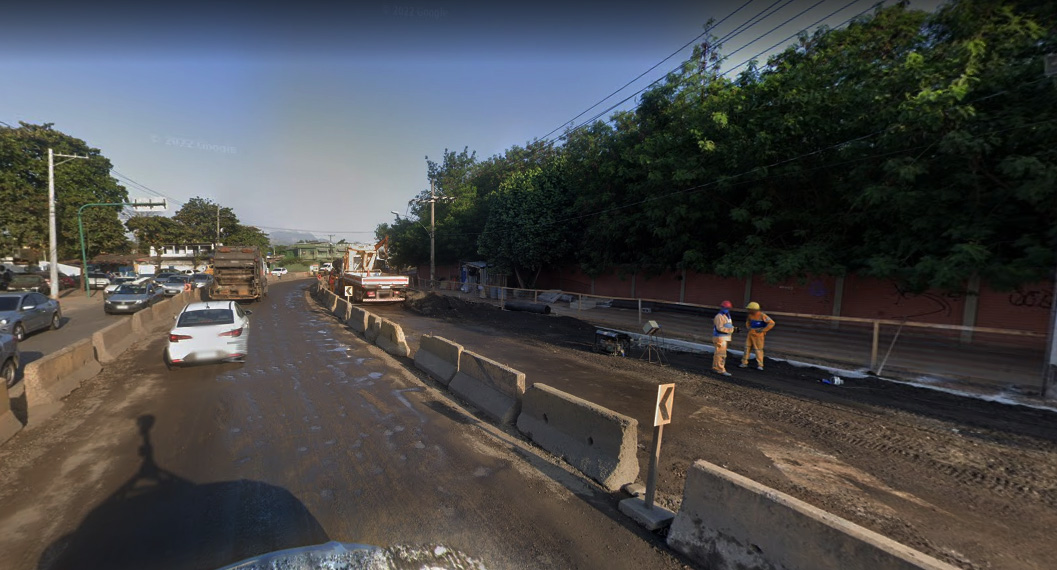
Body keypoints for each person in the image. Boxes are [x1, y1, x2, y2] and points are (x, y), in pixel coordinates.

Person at [740, 301, 775, 370]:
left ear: (754, 309)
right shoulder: (750, 315)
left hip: (758, 335)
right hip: (750, 334)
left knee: (758, 350)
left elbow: (772, 323)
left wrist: (763, 330)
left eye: (749, 309)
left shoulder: (762, 315)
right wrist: (748, 327)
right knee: (747, 348)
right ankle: (744, 363)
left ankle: (760, 365)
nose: (748, 310)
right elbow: (748, 322)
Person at [712, 300, 737, 376]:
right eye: (726, 308)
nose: (727, 309)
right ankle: (720, 369)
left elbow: (727, 325)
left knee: (719, 354)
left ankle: (716, 367)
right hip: (720, 337)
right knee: (721, 354)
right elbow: (720, 328)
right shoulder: (719, 316)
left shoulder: (726, 316)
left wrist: (733, 329)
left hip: (723, 337)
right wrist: (732, 330)